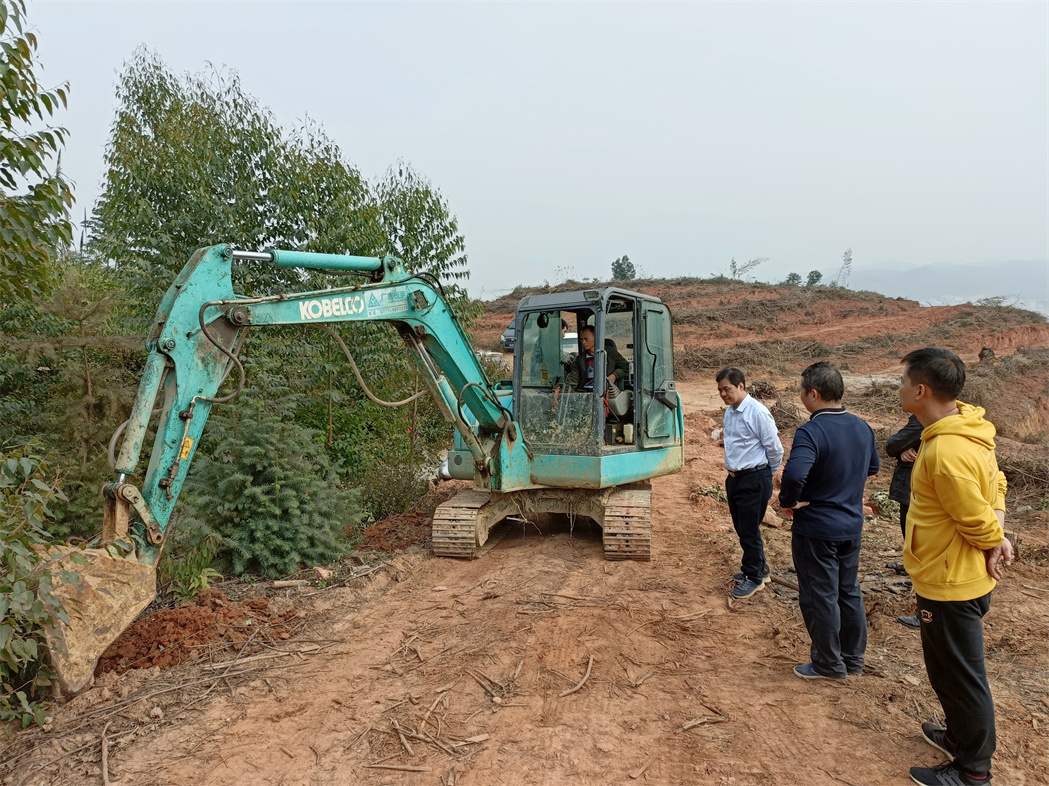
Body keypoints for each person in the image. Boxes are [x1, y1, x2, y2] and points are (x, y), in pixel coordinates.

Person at [899, 348, 1012, 786]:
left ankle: (972, 771)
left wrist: (994, 537)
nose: (899, 389)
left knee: (962, 677)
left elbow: (972, 515)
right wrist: (998, 532)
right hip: (955, 573)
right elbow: (996, 483)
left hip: (952, 582)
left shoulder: (946, 449)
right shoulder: (967, 427)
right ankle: (958, 738)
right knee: (946, 669)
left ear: (920, 391)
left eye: (903, 382)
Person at [779, 362, 879, 680]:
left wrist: (789, 501)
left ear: (814, 393)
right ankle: (852, 659)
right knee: (848, 591)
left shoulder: (812, 431)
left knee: (819, 595)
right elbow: (873, 467)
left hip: (817, 528)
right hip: (851, 525)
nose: (801, 397)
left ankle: (827, 663)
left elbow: (794, 474)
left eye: (801, 392)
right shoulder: (862, 427)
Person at [715, 367, 784, 599]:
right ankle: (760, 569)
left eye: (727, 389)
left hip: (754, 478)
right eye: (720, 390)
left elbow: (775, 449)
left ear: (741, 386)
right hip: (735, 478)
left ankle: (754, 577)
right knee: (742, 527)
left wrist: (765, 474)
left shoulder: (757, 412)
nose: (723, 394)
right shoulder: (730, 412)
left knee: (749, 530)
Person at [885, 413, 923, 629]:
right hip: (919, 490)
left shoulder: (923, 417)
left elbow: (892, 444)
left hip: (914, 490)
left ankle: (924, 613)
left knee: (918, 547)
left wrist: (900, 448)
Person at [564, 325, 628, 392]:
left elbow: (626, 366)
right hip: (586, 392)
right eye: (581, 340)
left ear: (595, 337)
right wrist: (565, 393)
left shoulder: (610, 353)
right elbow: (573, 379)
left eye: (586, 339)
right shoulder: (580, 359)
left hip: (606, 392)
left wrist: (615, 375)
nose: (583, 342)